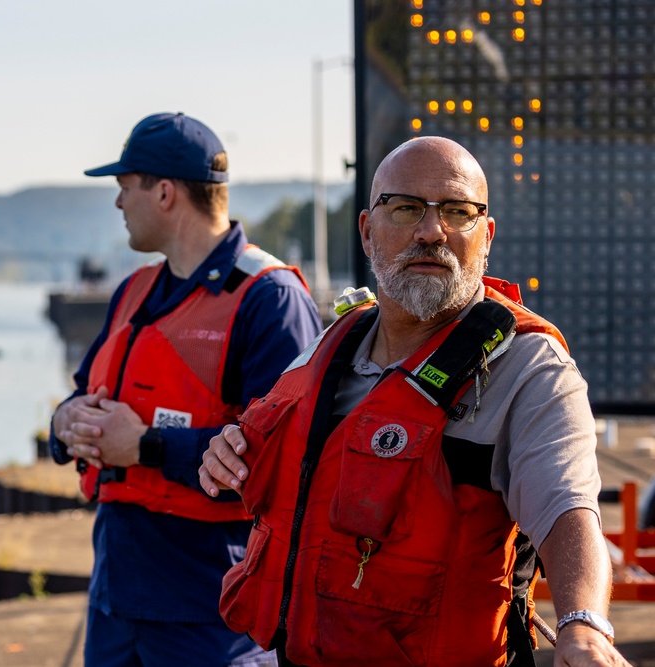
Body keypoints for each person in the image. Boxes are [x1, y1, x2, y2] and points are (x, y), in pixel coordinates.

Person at [199, 136, 630, 667]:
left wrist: (583, 626)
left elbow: (568, 508)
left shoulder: (530, 369)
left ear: (486, 237)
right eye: (406, 208)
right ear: (366, 231)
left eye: (458, 212)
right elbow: (278, 449)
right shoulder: (333, 342)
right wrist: (227, 450)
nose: (432, 231)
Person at [49, 112, 322, 666]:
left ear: (165, 193)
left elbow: (288, 458)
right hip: (116, 601)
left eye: (126, 187)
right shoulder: (134, 290)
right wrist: (65, 422)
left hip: (212, 614)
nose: (119, 202)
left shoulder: (269, 299)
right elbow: (82, 391)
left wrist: (145, 445)